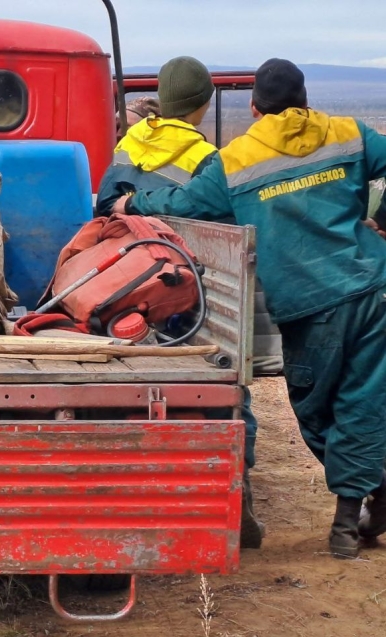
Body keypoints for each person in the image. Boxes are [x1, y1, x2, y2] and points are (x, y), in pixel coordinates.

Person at [113, 58, 386, 559]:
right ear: (305, 99)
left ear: (254, 106)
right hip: (372, 288)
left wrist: (130, 205)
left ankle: (353, 515)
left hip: (310, 304)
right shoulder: (351, 133)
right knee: (365, 400)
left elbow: (183, 202)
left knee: (315, 406)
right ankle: (364, 505)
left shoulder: (235, 159)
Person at [98, 56, 265, 549]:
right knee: (225, 385)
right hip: (185, 287)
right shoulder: (205, 156)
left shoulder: (127, 145)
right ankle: (239, 495)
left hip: (126, 285)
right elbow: (219, 215)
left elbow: (105, 206)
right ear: (202, 104)